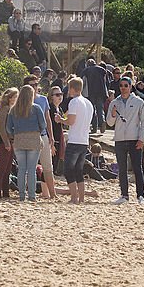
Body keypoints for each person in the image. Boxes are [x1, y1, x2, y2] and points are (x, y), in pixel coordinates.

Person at [106, 76, 144, 204]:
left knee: (137, 168)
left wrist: (141, 139)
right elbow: (109, 122)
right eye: (121, 85)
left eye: (126, 85)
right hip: (119, 139)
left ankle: (141, 195)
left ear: (130, 87)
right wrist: (113, 114)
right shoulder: (114, 102)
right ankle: (124, 195)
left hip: (134, 139)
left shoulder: (139, 102)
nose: (123, 88)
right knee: (122, 168)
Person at [6, 84, 48, 202]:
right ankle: (32, 195)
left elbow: (8, 128)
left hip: (19, 140)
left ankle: (21, 195)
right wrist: (37, 131)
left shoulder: (13, 110)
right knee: (31, 169)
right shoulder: (36, 108)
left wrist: (16, 133)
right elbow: (43, 125)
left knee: (22, 169)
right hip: (34, 139)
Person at [54, 76, 93, 204]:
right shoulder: (88, 103)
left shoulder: (74, 102)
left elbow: (71, 121)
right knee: (79, 170)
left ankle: (74, 197)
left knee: (68, 170)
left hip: (75, 139)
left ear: (72, 88)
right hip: (84, 140)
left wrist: (60, 120)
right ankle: (81, 198)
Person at [0, 88, 19, 199]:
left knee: (8, 168)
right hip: (3, 140)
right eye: (14, 97)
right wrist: (6, 142)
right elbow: (1, 127)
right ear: (9, 98)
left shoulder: (10, 109)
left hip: (8, 140)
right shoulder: (5, 109)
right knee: (2, 168)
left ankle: (5, 192)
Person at [82, 58, 109, 133]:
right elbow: (106, 82)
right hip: (101, 92)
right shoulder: (102, 70)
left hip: (90, 93)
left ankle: (94, 127)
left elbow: (83, 82)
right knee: (100, 108)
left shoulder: (86, 71)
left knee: (92, 110)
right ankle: (102, 121)